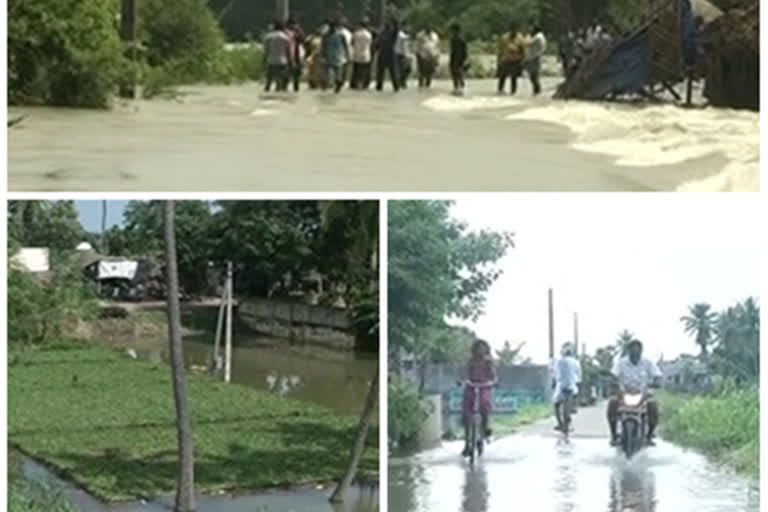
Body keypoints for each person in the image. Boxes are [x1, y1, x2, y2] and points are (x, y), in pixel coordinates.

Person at [607, 339, 662, 446]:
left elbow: (657, 375)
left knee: (653, 406)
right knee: (612, 403)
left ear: (641, 351)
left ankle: (649, 435)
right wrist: (613, 382)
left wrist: (656, 382)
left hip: (643, 394)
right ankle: (613, 435)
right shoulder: (621, 363)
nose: (635, 354)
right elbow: (613, 375)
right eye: (633, 352)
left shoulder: (648, 363)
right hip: (624, 393)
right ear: (628, 351)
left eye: (637, 352)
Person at [461, 339, 496, 457]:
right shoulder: (470, 362)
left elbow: (493, 376)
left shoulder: (488, 362)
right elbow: (464, 374)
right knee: (466, 413)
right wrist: (464, 381)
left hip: (484, 387)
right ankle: (467, 443)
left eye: (482, 348)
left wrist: (492, 382)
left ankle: (486, 428)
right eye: (478, 348)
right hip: (471, 387)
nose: (480, 351)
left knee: (485, 404)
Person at [551, 343, 582, 432]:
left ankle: (560, 423)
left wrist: (554, 382)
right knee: (573, 399)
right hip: (572, 387)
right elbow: (579, 377)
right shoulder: (576, 362)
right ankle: (573, 409)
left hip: (561, 387)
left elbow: (555, 375)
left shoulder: (559, 361)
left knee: (556, 404)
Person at [263, 20, 293, 92]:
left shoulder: (268, 37)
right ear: (282, 28)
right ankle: (278, 95)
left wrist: (263, 61)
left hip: (271, 61)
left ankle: (266, 93)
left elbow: (266, 51)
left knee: (268, 82)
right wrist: (290, 62)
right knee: (279, 81)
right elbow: (288, 51)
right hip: (282, 62)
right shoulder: (285, 38)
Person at [321, 19, 350, 93]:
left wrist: (347, 55)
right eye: (331, 26)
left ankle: (337, 85)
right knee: (327, 72)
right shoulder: (326, 35)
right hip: (329, 56)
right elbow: (323, 46)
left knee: (338, 73)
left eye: (333, 26)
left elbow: (345, 46)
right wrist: (323, 55)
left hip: (338, 56)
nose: (332, 28)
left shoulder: (340, 35)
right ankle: (326, 85)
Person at [496, 22, 526, 94]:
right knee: (503, 75)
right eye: (513, 29)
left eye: (515, 30)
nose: (514, 31)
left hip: (515, 60)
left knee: (514, 77)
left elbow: (523, 50)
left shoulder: (520, 38)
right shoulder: (504, 37)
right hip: (506, 59)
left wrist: (522, 60)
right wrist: (499, 59)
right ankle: (500, 89)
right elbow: (500, 49)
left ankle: (513, 91)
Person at [375, 19, 400, 92]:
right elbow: (377, 44)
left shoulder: (392, 34)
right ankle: (379, 87)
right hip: (383, 54)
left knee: (393, 72)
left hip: (390, 55)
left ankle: (396, 87)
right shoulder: (381, 34)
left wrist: (396, 24)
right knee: (380, 72)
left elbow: (396, 30)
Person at [350, 18, 373, 89]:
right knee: (366, 71)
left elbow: (352, 43)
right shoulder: (368, 34)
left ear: (360, 25)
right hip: (366, 55)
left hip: (357, 54)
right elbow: (370, 43)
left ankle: (354, 84)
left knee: (356, 71)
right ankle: (366, 84)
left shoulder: (356, 34)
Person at [524, 24, 546, 95]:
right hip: (535, 57)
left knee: (534, 75)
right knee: (534, 75)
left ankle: (537, 90)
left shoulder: (538, 37)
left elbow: (528, 43)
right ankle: (536, 90)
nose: (531, 31)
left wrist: (527, 36)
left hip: (534, 58)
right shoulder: (541, 36)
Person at [286, 17, 306, 92]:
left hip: (297, 55)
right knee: (287, 74)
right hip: (289, 56)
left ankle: (295, 88)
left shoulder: (298, 32)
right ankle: (285, 88)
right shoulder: (287, 32)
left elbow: (303, 41)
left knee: (296, 75)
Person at [449, 23, 468, 95]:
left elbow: (453, 50)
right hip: (460, 58)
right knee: (459, 73)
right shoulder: (461, 39)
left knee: (456, 73)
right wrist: (465, 58)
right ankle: (459, 88)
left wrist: (452, 59)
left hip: (456, 58)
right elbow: (465, 50)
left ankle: (457, 88)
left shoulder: (454, 39)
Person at [394, 24, 412, 89]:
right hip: (401, 55)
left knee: (407, 70)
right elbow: (404, 38)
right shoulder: (401, 35)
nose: (408, 29)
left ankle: (402, 82)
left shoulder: (404, 36)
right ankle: (402, 82)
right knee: (402, 69)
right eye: (406, 27)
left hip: (406, 55)